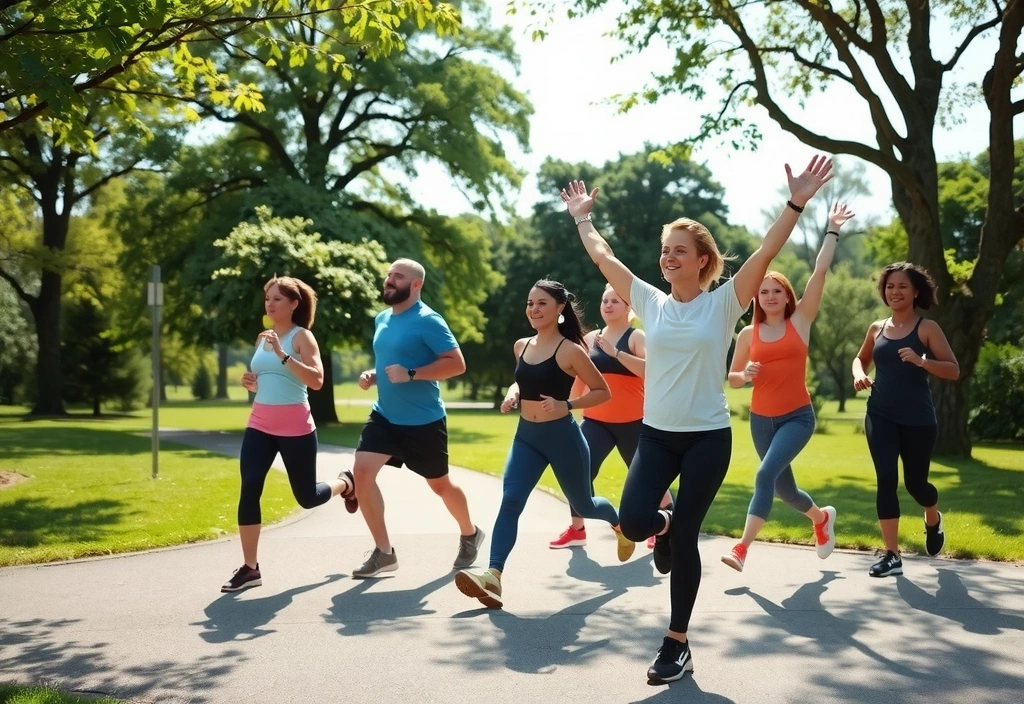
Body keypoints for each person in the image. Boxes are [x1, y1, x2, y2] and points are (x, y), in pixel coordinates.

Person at [561, 154, 833, 684]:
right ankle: (660, 524)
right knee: (637, 521)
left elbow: (767, 250)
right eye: (664, 252)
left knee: (686, 538)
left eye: (678, 251)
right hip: (657, 436)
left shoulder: (727, 302)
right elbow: (603, 258)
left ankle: (676, 642)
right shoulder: (650, 301)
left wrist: (796, 201)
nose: (668, 259)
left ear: (703, 259)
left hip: (708, 438)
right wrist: (582, 218)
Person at [454, 279, 635, 609]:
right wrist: (513, 393)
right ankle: (493, 576)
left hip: (563, 438)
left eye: (541, 303)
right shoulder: (521, 346)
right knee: (511, 501)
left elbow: (601, 391)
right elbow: (524, 380)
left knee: (585, 505)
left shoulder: (571, 350)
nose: (533, 309)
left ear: (559, 309)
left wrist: (567, 405)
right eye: (530, 303)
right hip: (527, 437)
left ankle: (619, 525)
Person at [721, 203, 855, 572]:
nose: (769, 296)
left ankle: (742, 549)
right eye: (763, 292)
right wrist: (744, 375)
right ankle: (820, 518)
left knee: (764, 475)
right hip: (761, 421)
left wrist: (832, 230)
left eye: (776, 290)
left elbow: (820, 271)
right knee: (785, 490)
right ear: (756, 299)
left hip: (797, 417)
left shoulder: (802, 320)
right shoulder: (749, 334)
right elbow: (731, 379)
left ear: (786, 295)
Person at [350, 258, 484, 579]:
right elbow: (391, 362)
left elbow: (456, 364)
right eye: (389, 275)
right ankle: (384, 553)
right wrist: (374, 374)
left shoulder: (429, 320)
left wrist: (412, 374)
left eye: (398, 276)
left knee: (440, 486)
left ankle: (470, 533)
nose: (389, 280)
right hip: (385, 416)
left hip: (423, 422)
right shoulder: (382, 318)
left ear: (416, 284)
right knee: (362, 474)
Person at [222, 276, 357, 593]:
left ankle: (346, 483)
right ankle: (250, 568)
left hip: (295, 427)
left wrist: (283, 354)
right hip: (260, 424)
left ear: (294, 304)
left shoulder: (302, 337)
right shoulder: (263, 337)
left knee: (307, 497)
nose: (269, 303)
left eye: (277, 299)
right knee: (250, 487)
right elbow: (266, 378)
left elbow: (317, 381)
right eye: (267, 298)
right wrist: (251, 382)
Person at [852, 262, 960, 578]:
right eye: (890, 286)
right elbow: (861, 359)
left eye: (902, 286)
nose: (895, 291)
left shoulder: (927, 329)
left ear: (915, 292)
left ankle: (932, 516)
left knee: (916, 485)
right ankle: (892, 555)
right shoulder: (876, 328)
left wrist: (921, 360)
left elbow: (953, 370)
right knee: (886, 477)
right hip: (880, 414)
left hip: (917, 419)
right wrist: (859, 374)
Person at [549, 283, 674, 552]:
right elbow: (581, 380)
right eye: (605, 300)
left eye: (615, 301)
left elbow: (652, 371)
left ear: (628, 308)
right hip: (595, 421)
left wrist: (616, 353)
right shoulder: (590, 339)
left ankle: (662, 526)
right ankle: (577, 529)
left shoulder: (636, 337)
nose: (607, 305)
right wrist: (566, 408)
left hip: (634, 423)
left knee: (649, 479)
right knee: (577, 471)